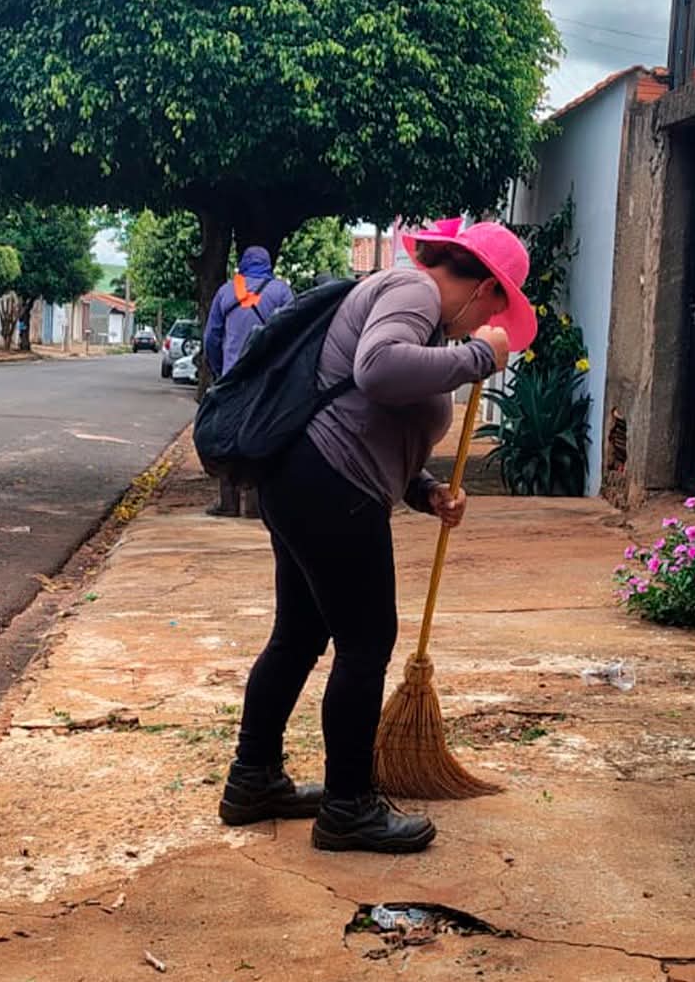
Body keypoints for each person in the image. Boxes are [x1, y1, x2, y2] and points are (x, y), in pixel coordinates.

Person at [217, 221, 537, 853]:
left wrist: (425, 490)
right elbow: (379, 370)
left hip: (308, 479)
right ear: (484, 287)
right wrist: (481, 358)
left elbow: (369, 417)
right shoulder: (414, 291)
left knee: (299, 635)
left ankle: (253, 780)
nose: (489, 322)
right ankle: (348, 807)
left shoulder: (414, 308)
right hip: (331, 487)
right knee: (366, 644)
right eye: (495, 308)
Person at [204, 245, 294, 517]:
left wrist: (220, 371)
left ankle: (228, 503)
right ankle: (255, 505)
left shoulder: (226, 291)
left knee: (226, 437)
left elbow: (211, 337)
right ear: (268, 264)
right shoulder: (281, 292)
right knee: (261, 435)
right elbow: (294, 332)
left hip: (233, 378)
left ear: (242, 263)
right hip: (268, 379)